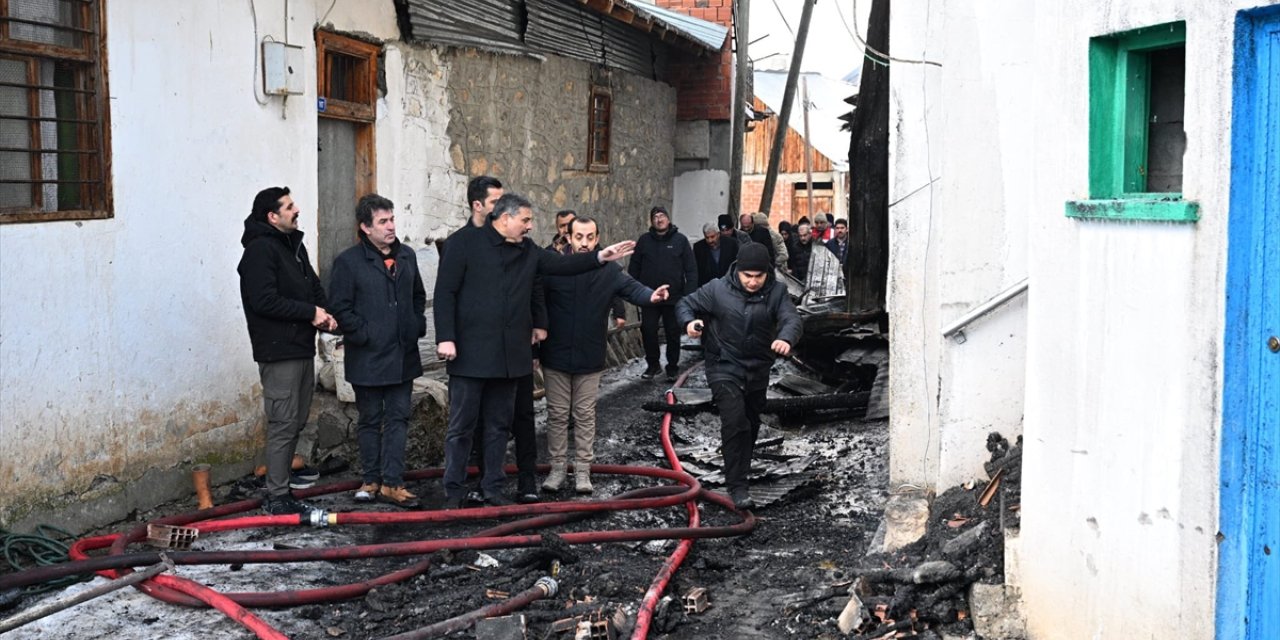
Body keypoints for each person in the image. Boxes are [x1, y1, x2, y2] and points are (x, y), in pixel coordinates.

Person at [434, 193, 634, 508]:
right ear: (505, 218)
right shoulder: (464, 244)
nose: (530, 226)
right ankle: (454, 491)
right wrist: (446, 337)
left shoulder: (529, 250)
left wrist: (599, 257)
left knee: (499, 426)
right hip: (470, 354)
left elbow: (562, 265)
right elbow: (445, 291)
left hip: (511, 356)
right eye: (526, 220)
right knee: (462, 427)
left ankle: (492, 488)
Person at [539, 216, 669, 493]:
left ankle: (583, 471)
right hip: (556, 354)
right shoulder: (556, 268)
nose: (584, 243)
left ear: (597, 238)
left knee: (585, 414)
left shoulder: (609, 270)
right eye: (579, 237)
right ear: (569, 238)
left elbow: (631, 288)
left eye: (590, 237)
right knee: (558, 415)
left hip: (590, 355)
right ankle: (558, 469)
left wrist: (651, 296)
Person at [675, 243, 801, 509]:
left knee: (751, 421)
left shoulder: (777, 292)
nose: (753, 282)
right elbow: (685, 303)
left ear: (767, 272)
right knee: (735, 421)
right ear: (738, 271)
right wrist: (690, 322)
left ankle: (739, 470)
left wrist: (785, 338)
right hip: (723, 366)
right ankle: (737, 485)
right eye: (747, 276)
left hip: (757, 369)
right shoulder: (717, 290)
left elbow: (791, 318)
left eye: (758, 276)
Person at [238, 186, 335, 516]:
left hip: (300, 346)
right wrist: (310, 313)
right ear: (272, 216)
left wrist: (328, 315)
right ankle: (277, 495)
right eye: (290, 206)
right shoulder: (259, 251)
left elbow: (313, 286)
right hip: (278, 351)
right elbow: (264, 300)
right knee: (282, 421)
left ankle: (284, 480)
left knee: (296, 417)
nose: (297, 210)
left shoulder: (294, 246)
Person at [328, 194, 427, 508]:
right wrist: (364, 334)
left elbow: (417, 297)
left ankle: (393, 483)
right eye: (383, 222)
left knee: (399, 419)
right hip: (368, 356)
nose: (390, 227)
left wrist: (415, 326)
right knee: (370, 420)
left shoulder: (408, 256)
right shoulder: (348, 262)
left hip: (403, 355)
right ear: (365, 227)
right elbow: (340, 308)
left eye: (392, 219)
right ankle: (371, 480)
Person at [628, 205, 697, 381]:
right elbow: (634, 267)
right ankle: (653, 365)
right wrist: (635, 290)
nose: (659, 219)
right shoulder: (644, 241)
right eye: (655, 217)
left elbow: (691, 270)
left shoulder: (680, 240)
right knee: (648, 330)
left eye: (662, 216)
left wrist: (688, 294)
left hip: (674, 297)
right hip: (649, 296)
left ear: (668, 218)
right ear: (651, 221)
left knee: (673, 332)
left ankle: (673, 366)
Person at [694, 222, 738, 287]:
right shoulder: (698, 247)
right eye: (707, 237)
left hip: (728, 285)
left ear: (718, 234)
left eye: (712, 237)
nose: (710, 240)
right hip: (707, 287)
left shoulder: (731, 244)